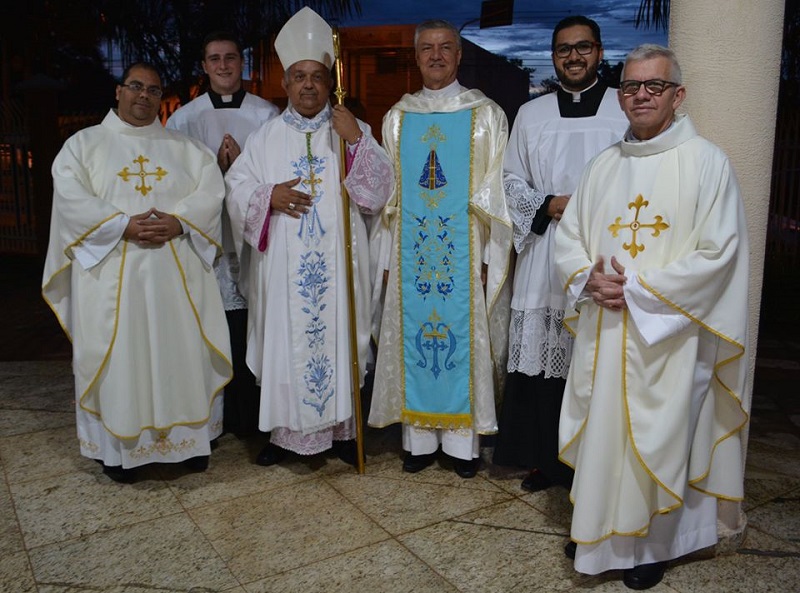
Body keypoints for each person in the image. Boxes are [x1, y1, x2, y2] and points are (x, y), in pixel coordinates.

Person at [554, 44, 749, 589]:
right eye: (631, 86)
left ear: (677, 95)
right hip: (605, 328)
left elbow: (719, 254)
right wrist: (585, 278)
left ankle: (650, 547)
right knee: (604, 431)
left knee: (661, 435)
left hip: (669, 336)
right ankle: (598, 529)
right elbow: (567, 240)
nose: (640, 94)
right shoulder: (603, 166)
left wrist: (639, 289)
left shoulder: (707, 162)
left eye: (654, 86)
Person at [42, 62, 233, 484]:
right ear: (118, 91)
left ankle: (190, 445)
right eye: (135, 86)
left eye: (153, 89)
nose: (144, 95)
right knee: (120, 359)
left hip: (176, 281)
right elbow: (70, 197)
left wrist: (180, 222)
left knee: (181, 354)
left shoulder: (186, 149)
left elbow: (212, 191)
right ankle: (120, 453)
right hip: (113, 281)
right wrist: (121, 225)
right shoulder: (82, 146)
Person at [225, 6, 393, 467]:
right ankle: (287, 437)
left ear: (328, 81)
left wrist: (356, 140)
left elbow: (378, 195)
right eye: (299, 76)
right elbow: (236, 191)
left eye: (317, 76)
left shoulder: (349, 130)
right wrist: (268, 195)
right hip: (283, 270)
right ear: (285, 83)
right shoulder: (265, 138)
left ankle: (341, 432)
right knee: (286, 341)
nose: (308, 85)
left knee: (338, 336)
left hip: (339, 266)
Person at [367, 20, 512, 479]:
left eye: (445, 47)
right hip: (411, 258)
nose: (435, 55)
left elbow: (495, 195)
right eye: (426, 48)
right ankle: (419, 442)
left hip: (465, 257)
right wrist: (388, 258)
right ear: (415, 56)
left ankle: (462, 447)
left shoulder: (485, 115)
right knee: (415, 338)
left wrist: (490, 259)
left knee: (463, 341)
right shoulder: (398, 117)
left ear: (458, 54)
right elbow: (391, 200)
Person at [492, 16, 628, 493]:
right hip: (547, 247)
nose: (573, 57)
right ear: (553, 57)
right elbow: (508, 180)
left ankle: (597, 465)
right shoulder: (531, 115)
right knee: (545, 367)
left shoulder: (623, 107)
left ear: (599, 52)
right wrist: (546, 204)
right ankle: (545, 463)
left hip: (604, 251)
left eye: (583, 48)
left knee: (596, 360)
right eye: (563, 50)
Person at [166, 31, 279, 439]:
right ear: (205, 66)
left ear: (242, 63)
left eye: (231, 57)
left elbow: (276, 174)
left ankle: (252, 417)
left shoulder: (267, 115)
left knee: (253, 322)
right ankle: (214, 417)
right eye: (214, 59)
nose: (224, 65)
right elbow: (174, 180)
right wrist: (216, 169)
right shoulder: (183, 119)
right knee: (212, 325)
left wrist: (241, 170)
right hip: (208, 241)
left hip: (253, 240)